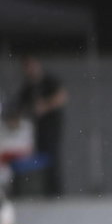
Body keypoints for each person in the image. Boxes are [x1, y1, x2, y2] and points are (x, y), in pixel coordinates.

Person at [16, 56, 67, 196]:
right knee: (40, 155)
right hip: (37, 127)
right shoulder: (28, 86)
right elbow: (20, 106)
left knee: (52, 155)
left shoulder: (49, 80)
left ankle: (55, 190)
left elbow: (61, 97)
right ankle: (44, 189)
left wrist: (44, 106)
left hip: (52, 125)